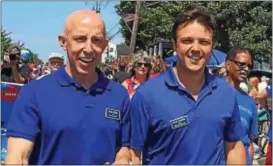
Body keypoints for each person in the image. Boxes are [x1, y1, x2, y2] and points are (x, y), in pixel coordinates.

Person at [5, 10, 130, 165]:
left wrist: (122, 159)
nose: (89, 49)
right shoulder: (34, 93)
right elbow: (18, 156)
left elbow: (124, 146)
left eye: (96, 40)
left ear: (104, 45)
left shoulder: (119, 95)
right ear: (63, 41)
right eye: (80, 39)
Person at [129, 8, 246, 165]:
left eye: (204, 42)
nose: (196, 48)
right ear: (175, 44)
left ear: (212, 47)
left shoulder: (226, 94)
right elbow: (133, 154)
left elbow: (233, 146)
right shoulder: (146, 96)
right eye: (187, 41)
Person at [225, 47, 258, 164]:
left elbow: (249, 141)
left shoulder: (250, 102)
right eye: (241, 64)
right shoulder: (213, 93)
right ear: (228, 65)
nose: (246, 69)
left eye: (249, 66)